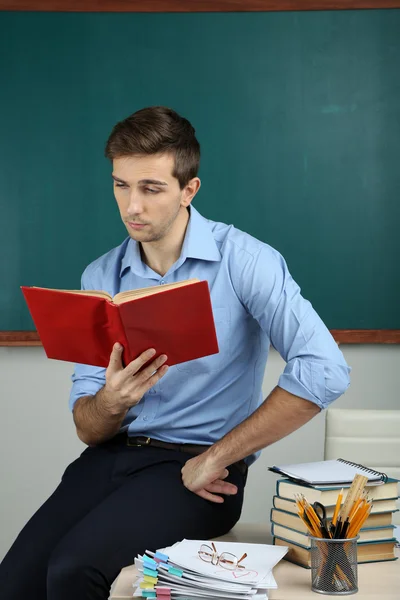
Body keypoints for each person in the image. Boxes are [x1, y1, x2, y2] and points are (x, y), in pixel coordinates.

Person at [0, 106, 350, 599]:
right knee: (14, 581)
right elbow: (86, 426)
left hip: (195, 473)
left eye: (151, 188)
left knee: (73, 570)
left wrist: (220, 456)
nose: (131, 207)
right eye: (121, 185)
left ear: (189, 191)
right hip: (109, 459)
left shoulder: (246, 262)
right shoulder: (99, 278)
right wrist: (112, 402)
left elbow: (325, 371)